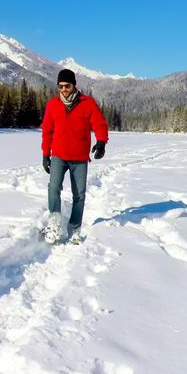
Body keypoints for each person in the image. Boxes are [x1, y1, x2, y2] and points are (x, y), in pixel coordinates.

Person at [40, 68, 109, 244]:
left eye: (67, 86)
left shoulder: (88, 103)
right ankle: (54, 223)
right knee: (53, 187)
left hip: (79, 158)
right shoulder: (53, 104)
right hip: (59, 155)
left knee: (79, 194)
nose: (64, 89)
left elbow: (100, 124)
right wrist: (45, 154)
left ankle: (74, 228)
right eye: (60, 86)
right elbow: (47, 131)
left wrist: (101, 142)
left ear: (74, 85)